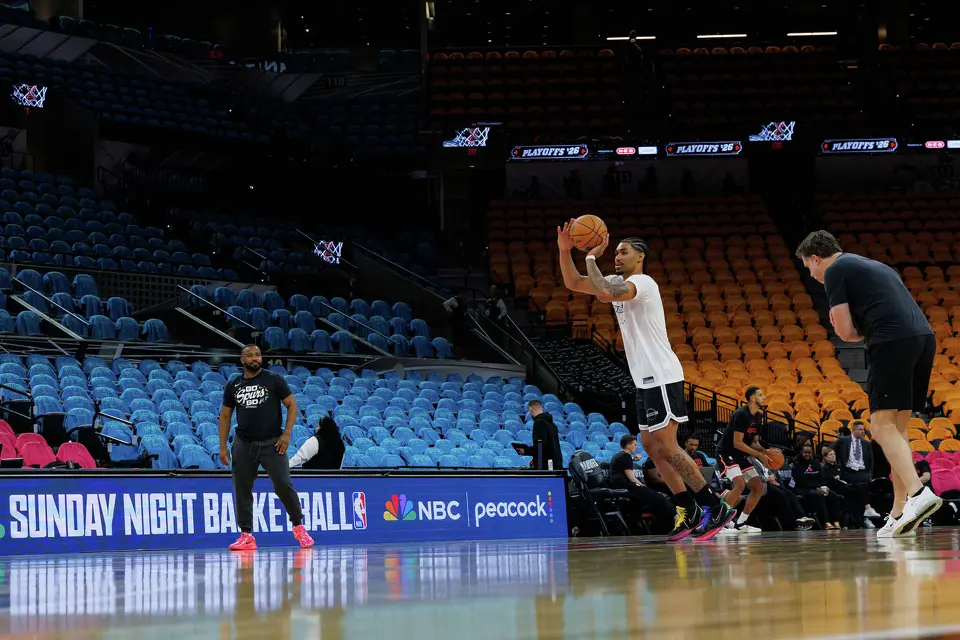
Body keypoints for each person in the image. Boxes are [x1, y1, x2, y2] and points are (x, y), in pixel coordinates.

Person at [557, 221, 734, 541]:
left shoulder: (643, 282)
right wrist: (564, 249)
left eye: (624, 252)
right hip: (644, 380)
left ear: (640, 257)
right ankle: (689, 509)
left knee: (667, 445)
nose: (618, 256)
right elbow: (572, 283)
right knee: (653, 448)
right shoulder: (616, 281)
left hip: (662, 375)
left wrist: (591, 258)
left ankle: (714, 506)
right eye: (617, 251)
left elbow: (606, 291)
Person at [796, 230, 941, 537]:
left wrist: (840, 325)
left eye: (810, 269)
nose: (813, 277)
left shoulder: (835, 271)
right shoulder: (874, 265)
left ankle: (919, 494)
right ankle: (900, 510)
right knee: (898, 429)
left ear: (817, 258)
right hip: (923, 338)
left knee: (879, 427)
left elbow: (847, 333)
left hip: (891, 341)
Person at [219, 344, 315, 551]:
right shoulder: (233, 384)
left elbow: (292, 405)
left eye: (258, 354)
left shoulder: (274, 379)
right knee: (242, 489)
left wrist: (287, 433)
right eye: (249, 355)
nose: (255, 358)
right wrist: (223, 447)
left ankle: (299, 526)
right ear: (242, 360)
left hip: (273, 442)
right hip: (243, 443)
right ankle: (246, 535)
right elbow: (225, 415)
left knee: (283, 484)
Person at [717, 387, 774, 533]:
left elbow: (754, 443)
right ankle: (719, 523)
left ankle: (741, 523)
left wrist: (766, 452)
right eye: (761, 395)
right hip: (726, 452)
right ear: (752, 398)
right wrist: (758, 455)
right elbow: (737, 443)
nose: (764, 397)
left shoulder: (758, 416)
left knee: (758, 487)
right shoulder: (741, 414)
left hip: (740, 455)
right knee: (740, 484)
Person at [608, 435, 676, 534]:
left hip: (619, 484)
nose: (636, 447)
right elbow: (631, 477)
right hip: (627, 485)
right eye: (634, 445)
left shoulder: (620, 455)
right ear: (628, 446)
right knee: (659, 498)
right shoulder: (625, 456)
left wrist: (633, 459)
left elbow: (624, 463)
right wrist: (642, 485)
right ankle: (676, 517)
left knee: (644, 502)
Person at [832, 421, 881, 528]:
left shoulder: (867, 444)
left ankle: (865, 517)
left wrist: (869, 474)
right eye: (860, 429)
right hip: (848, 472)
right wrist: (838, 466)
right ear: (853, 430)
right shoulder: (843, 441)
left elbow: (871, 460)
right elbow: (830, 450)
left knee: (862, 486)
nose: (862, 431)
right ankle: (867, 514)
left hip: (863, 472)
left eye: (863, 429)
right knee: (861, 486)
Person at [518, 400, 563, 471]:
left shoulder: (539, 423)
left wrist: (525, 451)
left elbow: (540, 446)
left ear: (531, 411)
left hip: (546, 466)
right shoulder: (552, 424)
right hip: (555, 463)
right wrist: (536, 458)